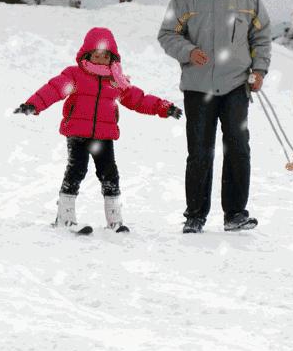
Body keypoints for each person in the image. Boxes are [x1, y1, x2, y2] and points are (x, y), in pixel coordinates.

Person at [15, 27, 182, 233]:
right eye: (96, 55)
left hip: (103, 136)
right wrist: (33, 104)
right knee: (77, 170)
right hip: (77, 133)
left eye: (105, 56)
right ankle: (65, 218)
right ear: (87, 54)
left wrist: (163, 107)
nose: (100, 59)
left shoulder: (116, 80)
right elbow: (54, 89)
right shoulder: (74, 75)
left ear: (112, 57)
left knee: (109, 174)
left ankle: (115, 221)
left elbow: (137, 99)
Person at [157, 0, 271, 234]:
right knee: (200, 151)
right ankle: (195, 214)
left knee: (238, 148)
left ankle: (235, 213)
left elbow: (261, 35)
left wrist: (259, 70)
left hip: (236, 85)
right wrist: (188, 52)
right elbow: (167, 34)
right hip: (197, 87)